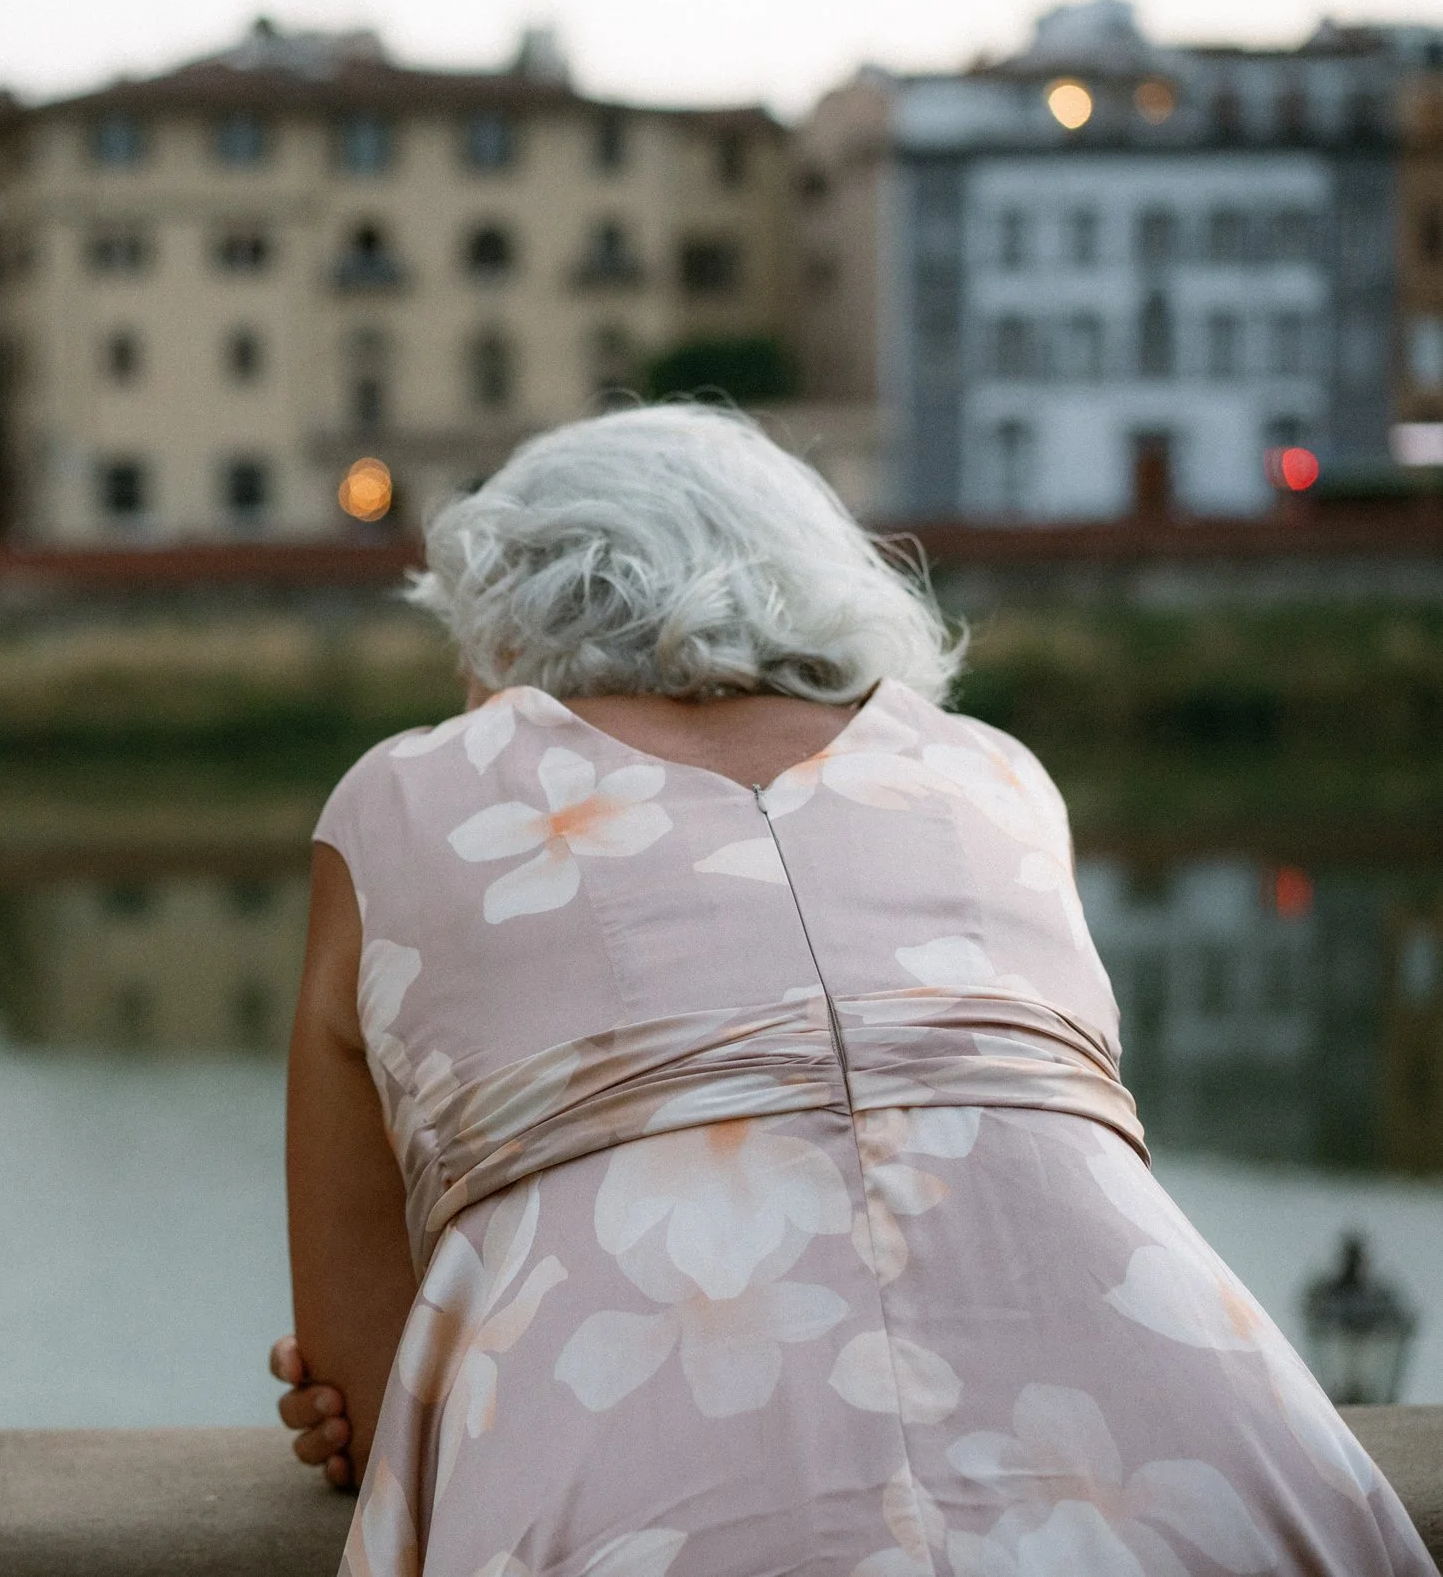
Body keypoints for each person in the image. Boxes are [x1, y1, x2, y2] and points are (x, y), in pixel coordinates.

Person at [271, 406, 1436, 1576]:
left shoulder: (405, 800)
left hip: (655, 1520)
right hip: (1194, 1472)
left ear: (503, 615)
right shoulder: (990, 773)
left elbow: (365, 1397)